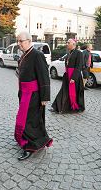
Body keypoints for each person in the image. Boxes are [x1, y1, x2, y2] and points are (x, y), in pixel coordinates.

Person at [14, 31, 53, 160]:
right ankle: (28, 140)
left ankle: (30, 146)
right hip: (24, 93)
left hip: (34, 95)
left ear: (29, 41)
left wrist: (44, 97)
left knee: (30, 120)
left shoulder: (37, 55)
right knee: (26, 119)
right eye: (18, 41)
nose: (19, 44)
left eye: (21, 41)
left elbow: (44, 76)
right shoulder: (25, 55)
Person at [50, 39, 85, 113]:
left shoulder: (79, 53)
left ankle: (76, 106)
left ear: (73, 44)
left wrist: (73, 78)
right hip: (67, 75)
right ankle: (56, 107)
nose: (67, 44)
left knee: (75, 93)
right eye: (67, 42)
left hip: (74, 77)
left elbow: (78, 66)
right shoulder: (69, 53)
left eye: (68, 43)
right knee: (63, 91)